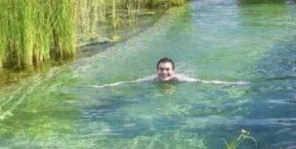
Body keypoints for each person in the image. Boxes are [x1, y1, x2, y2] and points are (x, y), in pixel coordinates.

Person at [93, 57, 246, 87]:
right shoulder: (153, 79)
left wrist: (232, 83)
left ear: (173, 71)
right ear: (157, 70)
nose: (164, 73)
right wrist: (104, 86)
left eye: (167, 70)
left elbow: (204, 82)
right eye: (161, 69)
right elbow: (130, 82)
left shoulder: (180, 79)